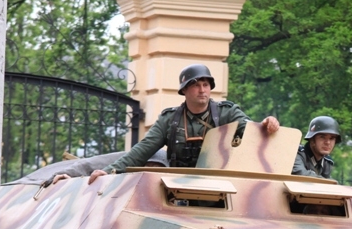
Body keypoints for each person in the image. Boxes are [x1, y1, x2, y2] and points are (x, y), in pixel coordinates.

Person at [86, 64, 280, 184]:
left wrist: (266, 124)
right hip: (179, 187)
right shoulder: (169, 119)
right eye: (196, 85)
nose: (202, 90)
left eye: (205, 85)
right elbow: (143, 150)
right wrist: (110, 170)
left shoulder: (227, 112)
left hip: (221, 186)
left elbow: (252, 131)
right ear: (184, 90)